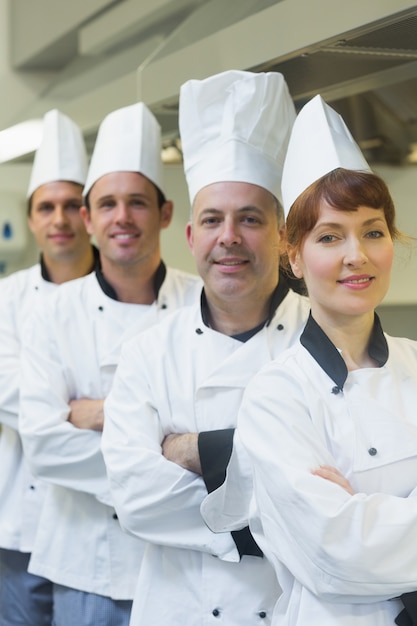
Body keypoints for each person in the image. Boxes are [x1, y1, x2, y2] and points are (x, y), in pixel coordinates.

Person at [102, 70, 310, 625]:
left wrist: (194, 452)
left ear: (284, 235)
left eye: (250, 219)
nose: (229, 238)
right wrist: (275, 500)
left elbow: (347, 493)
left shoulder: (327, 341)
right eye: (213, 220)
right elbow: (136, 499)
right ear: (191, 237)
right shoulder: (148, 353)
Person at [213, 94, 417, 626]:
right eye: (330, 236)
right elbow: (334, 557)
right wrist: (351, 531)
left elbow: (357, 539)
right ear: (295, 257)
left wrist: (364, 515)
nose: (358, 255)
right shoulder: (276, 396)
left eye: (373, 231)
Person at [18, 102, 202, 626]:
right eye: (109, 204)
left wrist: (99, 414)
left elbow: (224, 429)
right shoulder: (51, 312)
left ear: (166, 214)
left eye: (138, 202)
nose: (122, 217)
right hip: (85, 568)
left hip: (186, 565)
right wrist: (167, 440)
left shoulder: (203, 304)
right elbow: (44, 445)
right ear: (89, 217)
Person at [0, 109, 96, 626]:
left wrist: (101, 408)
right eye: (46, 207)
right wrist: (92, 409)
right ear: (32, 217)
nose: (59, 219)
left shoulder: (125, 292)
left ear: (90, 215)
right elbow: (8, 394)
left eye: (71, 205)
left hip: (101, 522)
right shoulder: (6, 299)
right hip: (18, 523)